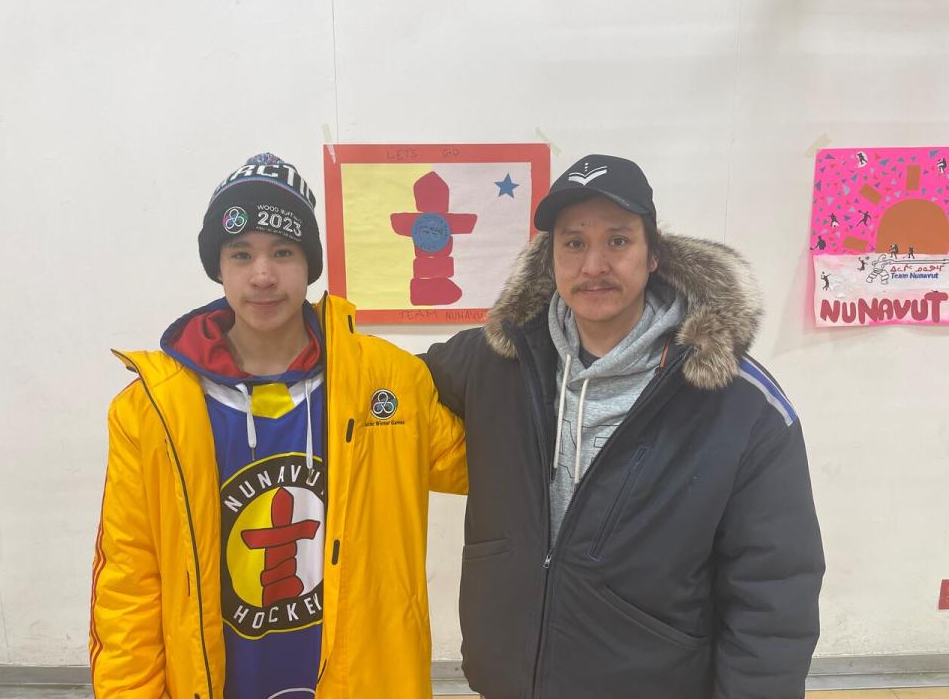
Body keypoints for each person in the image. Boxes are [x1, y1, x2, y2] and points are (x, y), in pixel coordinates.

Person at [423, 154, 824, 699]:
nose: (593, 265)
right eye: (573, 242)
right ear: (550, 257)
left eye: (617, 241)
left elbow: (775, 588)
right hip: (508, 682)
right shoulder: (495, 361)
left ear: (654, 253)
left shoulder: (738, 402)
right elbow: (378, 387)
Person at [89, 153, 466, 699]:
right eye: (242, 255)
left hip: (363, 678)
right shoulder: (153, 409)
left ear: (309, 266)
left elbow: (486, 464)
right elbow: (128, 583)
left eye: (283, 253)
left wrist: (502, 358)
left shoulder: (387, 381)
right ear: (218, 267)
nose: (263, 275)